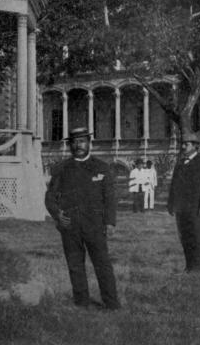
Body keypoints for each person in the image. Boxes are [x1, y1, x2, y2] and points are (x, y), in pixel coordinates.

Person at [44, 127, 120, 309]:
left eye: (82, 141)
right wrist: (57, 214)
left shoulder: (102, 167)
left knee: (102, 264)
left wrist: (110, 222)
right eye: (75, 142)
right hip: (70, 226)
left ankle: (111, 304)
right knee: (75, 265)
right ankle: (82, 303)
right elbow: (50, 197)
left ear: (89, 143)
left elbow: (110, 198)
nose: (78, 145)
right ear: (70, 144)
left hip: (95, 225)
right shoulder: (61, 169)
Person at [167, 131, 200, 272]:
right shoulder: (180, 163)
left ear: (195, 146)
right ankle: (189, 265)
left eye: (186, 144)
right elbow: (174, 185)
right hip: (181, 208)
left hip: (197, 207)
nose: (183, 147)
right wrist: (171, 203)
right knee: (185, 236)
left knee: (197, 236)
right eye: (182, 144)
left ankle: (197, 267)